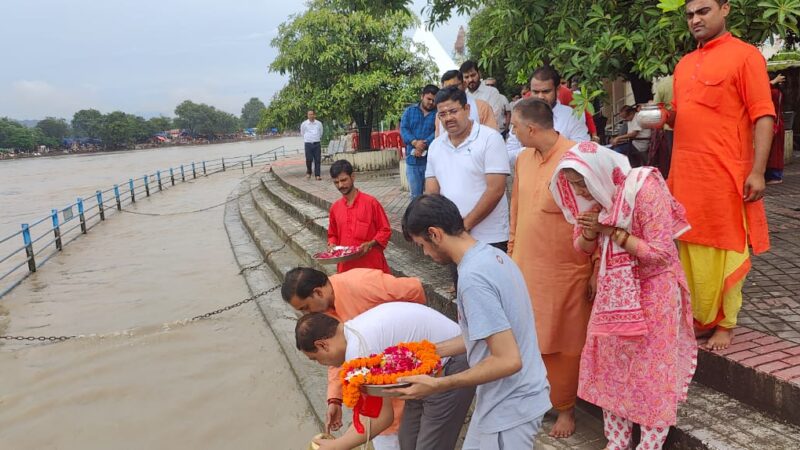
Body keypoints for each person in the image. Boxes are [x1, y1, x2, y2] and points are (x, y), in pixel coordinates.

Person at [550, 144, 697, 450]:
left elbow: (660, 253)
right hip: (614, 298)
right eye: (573, 185)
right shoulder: (600, 196)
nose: (580, 191)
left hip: (654, 291)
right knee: (612, 370)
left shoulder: (644, 187)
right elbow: (582, 246)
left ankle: (649, 445)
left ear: (600, 172)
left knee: (653, 373)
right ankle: (617, 442)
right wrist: (592, 232)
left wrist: (611, 231)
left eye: (581, 183)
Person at [396, 194, 551, 450]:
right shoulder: (492, 255)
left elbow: (508, 360)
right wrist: (431, 351)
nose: (424, 253)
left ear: (434, 234)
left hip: (511, 405)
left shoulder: (473, 279)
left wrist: (439, 385)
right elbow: (486, 333)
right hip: (503, 398)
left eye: (421, 244)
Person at [666, 0, 776, 350]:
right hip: (685, 179)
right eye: (689, 15)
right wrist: (663, 118)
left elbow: (763, 116)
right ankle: (699, 320)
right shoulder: (684, 65)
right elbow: (685, 116)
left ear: (725, 9)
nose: (695, 19)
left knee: (724, 251)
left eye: (703, 11)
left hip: (725, 180)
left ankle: (725, 325)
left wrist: (757, 172)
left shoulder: (745, 56)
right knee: (689, 252)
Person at [508, 98, 595, 438]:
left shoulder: (578, 157)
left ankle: (566, 409)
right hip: (527, 268)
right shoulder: (523, 160)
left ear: (531, 128)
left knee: (566, 344)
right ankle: (540, 400)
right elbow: (516, 207)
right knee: (531, 341)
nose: (511, 132)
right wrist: (513, 253)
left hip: (568, 271)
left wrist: (596, 269)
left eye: (514, 127)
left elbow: (599, 216)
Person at [298, 302, 475, 450]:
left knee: (430, 445)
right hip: (421, 373)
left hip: (453, 360)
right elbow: (369, 415)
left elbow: (381, 418)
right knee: (407, 441)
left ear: (322, 345)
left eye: (315, 359)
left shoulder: (358, 350)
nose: (322, 364)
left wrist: (337, 446)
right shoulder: (352, 332)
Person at [282, 267, 426, 446]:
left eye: (305, 308)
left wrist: (405, 338)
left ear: (317, 292)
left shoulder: (361, 284)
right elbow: (338, 358)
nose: (307, 314)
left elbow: (415, 289)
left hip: (413, 361)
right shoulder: (325, 315)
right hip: (381, 376)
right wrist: (335, 398)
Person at [425, 86, 510, 256]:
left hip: (490, 237)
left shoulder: (490, 139)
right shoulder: (435, 146)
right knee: (461, 282)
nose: (448, 118)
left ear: (467, 109)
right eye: (442, 114)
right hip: (454, 238)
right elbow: (432, 192)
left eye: (453, 111)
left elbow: (496, 189)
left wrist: (464, 226)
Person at [506, 66, 590, 165]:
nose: (540, 96)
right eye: (535, 92)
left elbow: (582, 151)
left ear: (557, 90)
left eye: (546, 91)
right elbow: (508, 155)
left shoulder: (573, 116)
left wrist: (547, 150)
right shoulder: (520, 115)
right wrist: (532, 151)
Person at [327, 160, 392, 273]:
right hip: (346, 268)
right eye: (336, 182)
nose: (340, 185)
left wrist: (371, 243)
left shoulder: (371, 203)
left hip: (371, 266)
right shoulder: (335, 208)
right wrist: (332, 244)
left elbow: (385, 230)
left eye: (343, 180)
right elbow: (332, 234)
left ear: (353, 177)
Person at [400, 84, 439, 200]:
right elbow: (404, 129)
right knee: (415, 197)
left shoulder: (438, 114)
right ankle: (415, 218)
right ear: (422, 96)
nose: (431, 102)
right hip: (413, 162)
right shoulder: (409, 111)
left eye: (434, 100)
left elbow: (438, 131)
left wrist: (425, 143)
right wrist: (415, 142)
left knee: (432, 196)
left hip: (431, 162)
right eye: (429, 99)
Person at [435, 70, 497, 136]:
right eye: (447, 88)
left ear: (464, 85)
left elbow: (493, 135)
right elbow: (438, 137)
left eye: (454, 87)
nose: (451, 91)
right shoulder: (440, 114)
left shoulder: (482, 107)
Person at [462, 60, 510, 133]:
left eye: (473, 75)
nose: (470, 79)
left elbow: (494, 117)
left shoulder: (492, 92)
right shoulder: (463, 95)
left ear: (479, 74)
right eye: (466, 77)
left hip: (490, 135)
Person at [651, 75, 675, 178]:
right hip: (689, 126)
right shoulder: (689, 80)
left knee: (669, 158)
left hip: (669, 128)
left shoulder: (663, 84)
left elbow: (656, 106)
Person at [766, 73, 786, 184]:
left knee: (774, 152)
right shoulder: (776, 92)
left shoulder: (774, 93)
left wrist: (772, 82)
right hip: (773, 124)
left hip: (774, 124)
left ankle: (775, 176)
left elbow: (762, 92)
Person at [301, 110, 324, 180]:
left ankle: (317, 175)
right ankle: (309, 173)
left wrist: (316, 138)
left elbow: (321, 133)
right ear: (307, 115)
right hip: (308, 143)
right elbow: (302, 133)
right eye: (309, 114)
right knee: (309, 159)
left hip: (317, 143)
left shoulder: (319, 123)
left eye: (312, 114)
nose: (311, 116)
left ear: (314, 115)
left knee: (317, 159)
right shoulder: (304, 124)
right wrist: (308, 139)